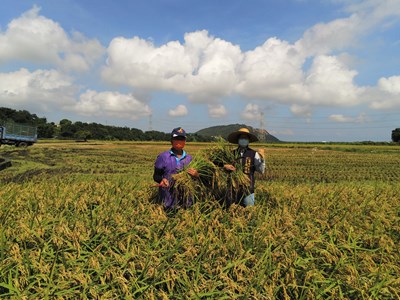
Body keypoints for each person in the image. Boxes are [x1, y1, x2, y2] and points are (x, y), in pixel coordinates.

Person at [153, 127, 199, 210]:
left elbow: (196, 180)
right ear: (171, 141)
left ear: (185, 141)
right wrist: (161, 180)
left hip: (186, 201)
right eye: (176, 139)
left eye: (181, 139)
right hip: (167, 201)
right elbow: (156, 176)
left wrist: (196, 175)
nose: (179, 141)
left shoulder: (190, 159)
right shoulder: (163, 157)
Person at [224, 127, 265, 207]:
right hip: (232, 189)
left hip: (248, 189)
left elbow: (261, 170)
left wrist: (262, 159)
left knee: (248, 212)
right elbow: (220, 168)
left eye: (245, 138)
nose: (243, 140)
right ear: (238, 140)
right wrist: (225, 166)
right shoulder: (230, 154)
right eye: (241, 138)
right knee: (231, 211)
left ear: (248, 140)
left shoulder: (254, 154)